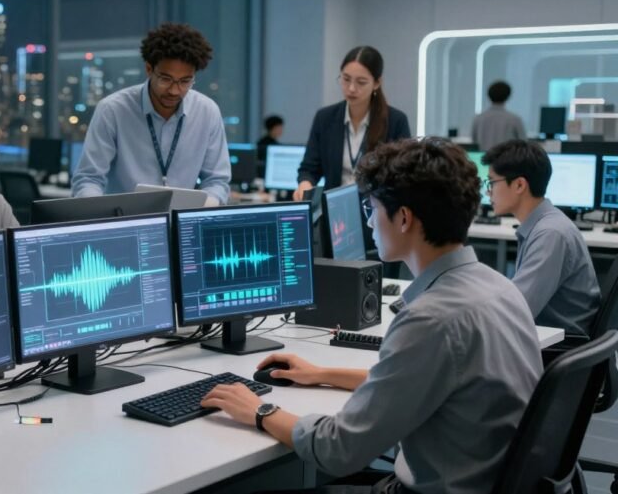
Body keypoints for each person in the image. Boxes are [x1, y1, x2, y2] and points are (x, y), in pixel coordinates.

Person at [202, 138, 542, 493]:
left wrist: (260, 411)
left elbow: (338, 449)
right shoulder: (500, 287)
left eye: (372, 208)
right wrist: (321, 374)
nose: (368, 220)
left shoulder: (431, 319)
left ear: (405, 218)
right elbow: (417, 380)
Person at [71, 23, 231, 204]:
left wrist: (204, 207)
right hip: (125, 222)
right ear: (149, 69)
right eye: (166, 79)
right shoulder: (113, 110)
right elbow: (88, 178)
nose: (174, 90)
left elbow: (217, 181)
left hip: (179, 224)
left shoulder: (207, 112)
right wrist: (101, 217)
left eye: (185, 81)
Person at [483, 139, 600, 337]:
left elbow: (517, 310)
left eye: (492, 182)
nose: (487, 191)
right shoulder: (542, 225)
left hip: (559, 347)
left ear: (519, 185)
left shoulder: (550, 233)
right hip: (547, 337)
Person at [293, 46, 411, 202]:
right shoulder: (325, 118)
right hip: (334, 210)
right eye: (346, 79)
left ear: (377, 83)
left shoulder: (396, 121)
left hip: (376, 212)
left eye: (361, 82)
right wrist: (305, 183)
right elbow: (309, 168)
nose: (351, 88)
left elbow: (404, 175)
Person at [471, 81, 525, 151]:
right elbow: (523, 144)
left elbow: (474, 142)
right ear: (508, 96)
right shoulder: (514, 119)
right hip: (507, 159)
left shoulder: (478, 118)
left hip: (483, 159)